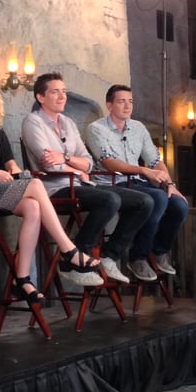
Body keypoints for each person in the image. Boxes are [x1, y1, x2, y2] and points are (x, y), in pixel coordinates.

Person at [0, 81, 104, 304]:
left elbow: (9, 162)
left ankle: (21, 279)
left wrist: (13, 169)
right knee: (37, 187)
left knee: (33, 206)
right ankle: (68, 250)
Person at [21, 72, 153, 284]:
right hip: (54, 189)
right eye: (55, 92)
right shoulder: (32, 122)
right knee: (110, 200)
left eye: (63, 91)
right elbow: (52, 166)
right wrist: (75, 168)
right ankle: (73, 260)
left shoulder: (68, 123)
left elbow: (88, 162)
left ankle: (110, 256)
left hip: (82, 184)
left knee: (143, 201)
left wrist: (66, 159)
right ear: (40, 97)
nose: (62, 96)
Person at [86, 84, 189, 279]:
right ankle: (138, 257)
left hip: (137, 182)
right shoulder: (96, 129)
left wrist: (170, 185)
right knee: (158, 198)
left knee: (179, 204)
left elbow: (155, 160)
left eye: (130, 102)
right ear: (109, 105)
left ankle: (159, 251)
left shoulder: (138, 128)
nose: (127, 106)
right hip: (112, 183)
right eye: (121, 101)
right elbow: (108, 163)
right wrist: (143, 170)